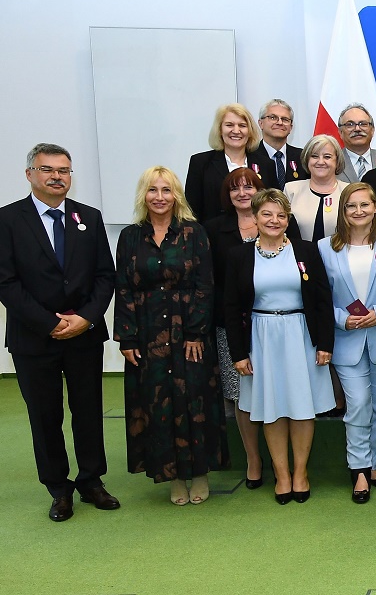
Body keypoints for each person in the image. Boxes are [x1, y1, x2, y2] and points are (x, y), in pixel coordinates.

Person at [0, 143, 118, 522]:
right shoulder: (4, 220)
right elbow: (4, 282)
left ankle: (92, 481)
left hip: (85, 336)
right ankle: (59, 490)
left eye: (64, 170)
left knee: (89, 411)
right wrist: (50, 323)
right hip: (33, 339)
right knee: (45, 416)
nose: (57, 176)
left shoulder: (89, 218)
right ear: (30, 174)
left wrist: (85, 319)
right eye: (47, 169)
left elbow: (104, 276)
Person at [114, 166, 227, 505]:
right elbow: (123, 288)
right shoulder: (130, 236)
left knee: (195, 402)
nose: (159, 197)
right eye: (153, 190)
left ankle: (201, 472)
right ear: (143, 195)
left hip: (190, 333)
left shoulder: (195, 233)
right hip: (148, 334)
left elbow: (205, 285)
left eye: (166, 190)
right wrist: (128, 338)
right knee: (157, 404)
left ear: (176, 195)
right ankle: (173, 476)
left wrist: (196, 332)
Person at [224, 189, 335, 504]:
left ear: (288, 220)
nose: (274, 220)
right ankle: (282, 475)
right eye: (267, 214)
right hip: (259, 338)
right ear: (255, 217)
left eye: (281, 215)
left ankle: (300, 473)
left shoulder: (306, 251)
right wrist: (238, 353)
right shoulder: (239, 255)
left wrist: (325, 343)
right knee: (271, 409)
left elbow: (323, 299)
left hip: (300, 335)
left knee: (301, 408)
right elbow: (231, 308)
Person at [319, 182, 376, 503]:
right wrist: (341, 318)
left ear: (375, 208)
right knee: (357, 404)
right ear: (342, 211)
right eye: (350, 206)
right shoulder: (325, 247)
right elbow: (318, 298)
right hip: (346, 339)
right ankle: (358, 469)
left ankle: (372, 465)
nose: (358, 211)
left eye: (364, 205)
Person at [204, 167, 274, 489]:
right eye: (235, 188)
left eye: (249, 187)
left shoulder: (276, 222)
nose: (243, 193)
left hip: (275, 321)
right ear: (227, 195)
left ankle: (278, 456)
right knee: (239, 391)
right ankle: (253, 458)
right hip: (230, 322)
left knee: (274, 386)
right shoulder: (213, 230)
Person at [185, 103, 262, 224]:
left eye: (242, 125)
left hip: (257, 237)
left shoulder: (265, 164)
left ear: (250, 131)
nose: (236, 131)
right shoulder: (200, 163)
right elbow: (192, 209)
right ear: (220, 130)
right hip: (214, 238)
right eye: (229, 125)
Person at [285, 135, 349, 242]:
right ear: (307, 160)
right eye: (314, 156)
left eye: (327, 157)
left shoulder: (348, 191)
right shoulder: (291, 190)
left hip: (339, 255)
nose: (320, 162)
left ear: (337, 161)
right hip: (300, 256)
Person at [249, 99, 305, 191]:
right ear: (261, 123)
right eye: (273, 117)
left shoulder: (302, 157)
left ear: (291, 127)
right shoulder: (249, 156)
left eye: (285, 119)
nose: (279, 122)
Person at [337, 103, 376, 183]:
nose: (357, 129)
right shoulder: (333, 162)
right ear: (341, 132)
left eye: (363, 124)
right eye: (350, 124)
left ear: (372, 130)